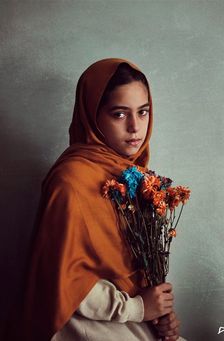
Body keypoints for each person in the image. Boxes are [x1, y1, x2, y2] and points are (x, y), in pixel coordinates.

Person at [16, 58, 186, 341]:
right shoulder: (71, 180)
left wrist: (159, 315)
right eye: (119, 114)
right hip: (84, 325)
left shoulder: (133, 175)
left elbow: (132, 272)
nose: (135, 127)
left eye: (143, 112)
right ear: (93, 116)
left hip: (129, 318)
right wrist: (138, 308)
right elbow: (65, 280)